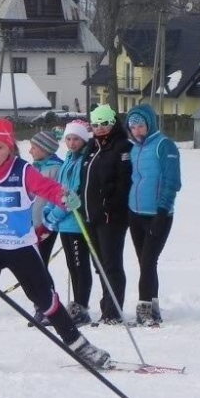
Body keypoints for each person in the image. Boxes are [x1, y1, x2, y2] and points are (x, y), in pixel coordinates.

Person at [0, 118, 111, 371]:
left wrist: (63, 196)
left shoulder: (22, 171)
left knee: (45, 299)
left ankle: (79, 346)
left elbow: (45, 187)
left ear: (10, 148)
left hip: (19, 246)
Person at [125, 104, 181, 327]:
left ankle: (144, 308)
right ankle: (153, 305)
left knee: (148, 261)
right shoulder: (134, 149)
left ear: (150, 124)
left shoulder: (164, 145)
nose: (137, 131)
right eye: (133, 127)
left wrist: (162, 210)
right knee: (145, 262)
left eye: (140, 125)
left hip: (158, 214)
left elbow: (172, 181)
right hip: (135, 213)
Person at [81, 105, 132, 325]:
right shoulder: (92, 147)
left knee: (111, 264)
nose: (100, 129)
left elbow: (124, 183)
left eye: (105, 124)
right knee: (99, 264)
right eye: (95, 124)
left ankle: (113, 310)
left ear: (113, 123)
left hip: (111, 218)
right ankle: (106, 306)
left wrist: (108, 205)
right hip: (90, 215)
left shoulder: (122, 146)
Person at [41, 120, 94, 326]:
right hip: (65, 224)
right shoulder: (68, 161)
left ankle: (81, 306)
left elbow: (74, 193)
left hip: (77, 221)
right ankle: (76, 306)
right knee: (72, 265)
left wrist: (58, 212)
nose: (72, 143)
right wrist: (50, 211)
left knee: (80, 265)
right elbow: (58, 190)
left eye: (76, 139)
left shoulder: (82, 161)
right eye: (69, 139)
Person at [26, 129, 63, 267]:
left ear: (45, 149)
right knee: (31, 265)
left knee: (39, 264)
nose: (30, 151)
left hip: (46, 225)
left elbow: (59, 198)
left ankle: (48, 289)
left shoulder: (56, 169)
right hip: (30, 226)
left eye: (34, 148)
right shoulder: (33, 168)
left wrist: (48, 222)